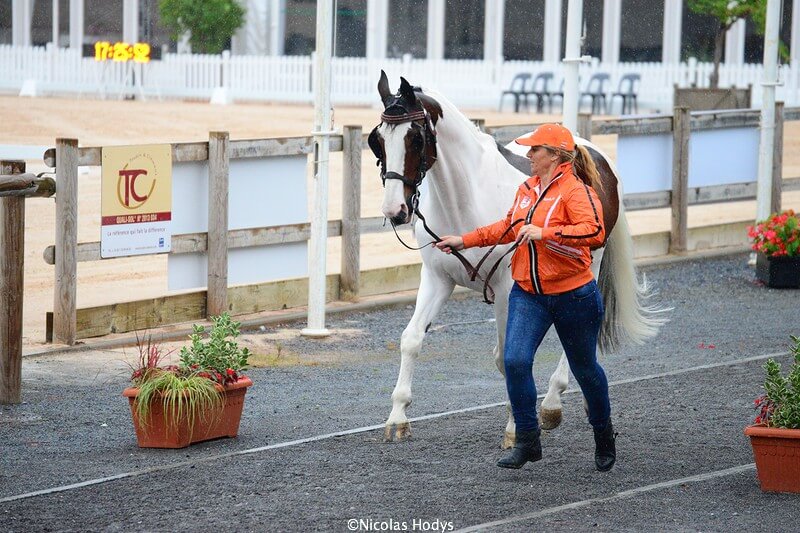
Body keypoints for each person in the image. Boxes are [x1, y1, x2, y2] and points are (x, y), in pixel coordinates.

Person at [434, 123, 616, 471]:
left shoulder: (576, 191)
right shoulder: (527, 189)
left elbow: (594, 231)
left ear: (555, 156)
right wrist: (464, 240)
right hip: (528, 294)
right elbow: (508, 227)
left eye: (535, 149)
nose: (528, 155)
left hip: (574, 295)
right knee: (515, 361)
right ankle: (528, 441)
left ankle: (603, 433)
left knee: (585, 370)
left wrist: (545, 233)